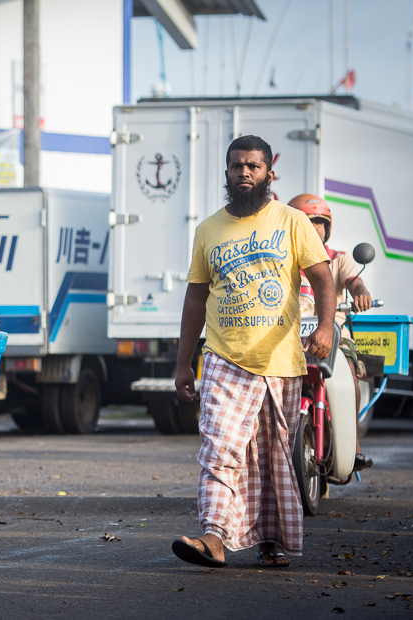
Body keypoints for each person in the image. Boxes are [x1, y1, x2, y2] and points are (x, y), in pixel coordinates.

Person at [172, 135, 336, 569]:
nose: (244, 172)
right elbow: (194, 300)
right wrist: (184, 362)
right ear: (226, 173)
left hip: (280, 361)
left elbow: (322, 279)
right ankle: (214, 537)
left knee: (269, 455)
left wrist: (323, 326)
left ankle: (271, 539)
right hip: (224, 358)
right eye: (236, 166)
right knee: (219, 447)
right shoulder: (208, 229)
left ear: (268, 174)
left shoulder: (291, 221)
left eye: (253, 166)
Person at [288, 193, 373, 471]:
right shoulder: (281, 261)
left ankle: (354, 443)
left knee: (348, 370)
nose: (313, 228)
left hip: (332, 332)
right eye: (305, 221)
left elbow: (355, 283)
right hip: (288, 335)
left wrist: (360, 294)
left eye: (319, 223)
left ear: (327, 228)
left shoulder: (338, 259)